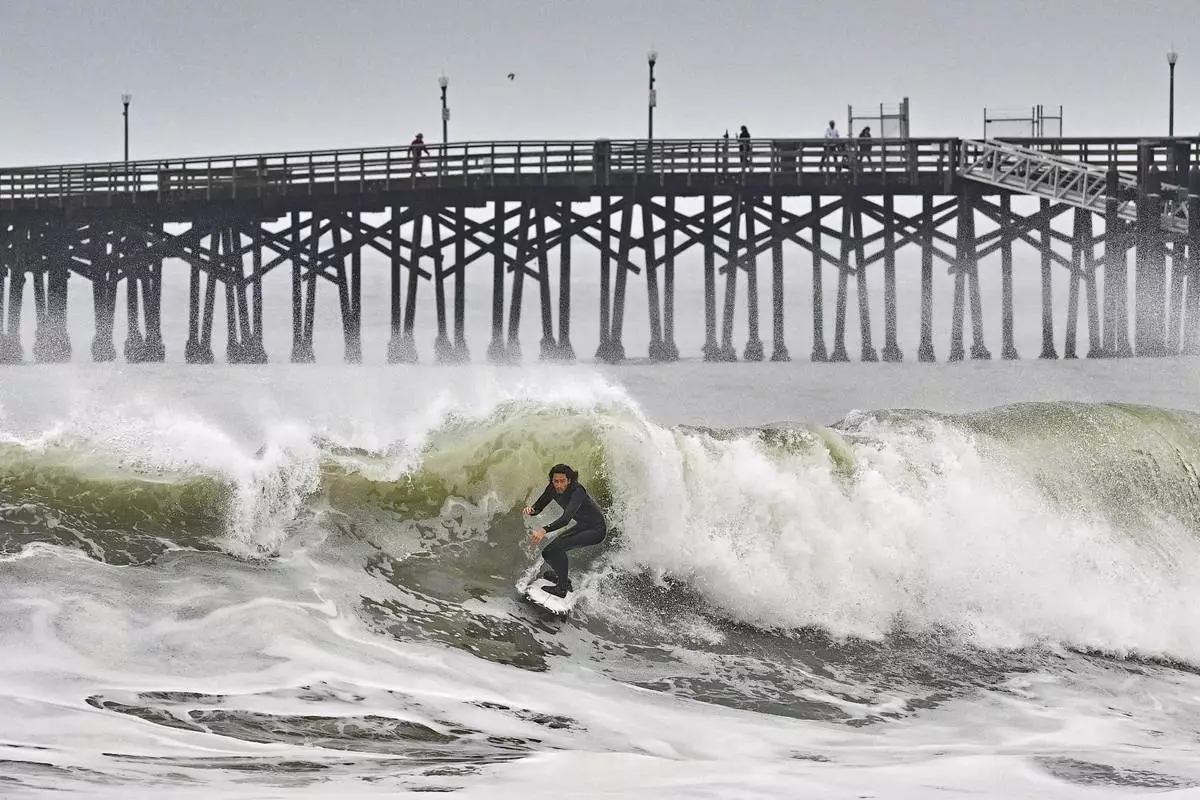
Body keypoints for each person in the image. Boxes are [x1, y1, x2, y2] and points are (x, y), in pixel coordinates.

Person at [523, 464, 607, 597]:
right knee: (548, 552)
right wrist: (532, 510)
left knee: (557, 549)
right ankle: (564, 580)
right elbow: (539, 506)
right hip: (583, 525)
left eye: (562, 481)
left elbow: (566, 519)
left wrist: (544, 530)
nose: (559, 485)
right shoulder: (552, 488)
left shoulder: (578, 491)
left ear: (569, 480)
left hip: (596, 529)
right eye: (556, 481)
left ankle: (562, 589)